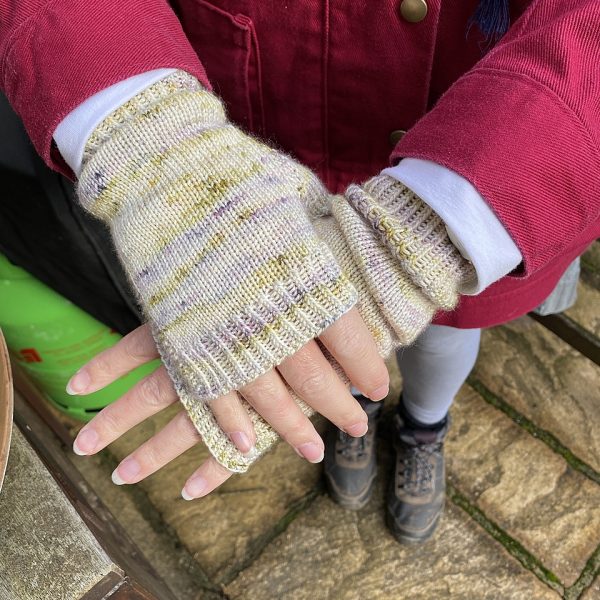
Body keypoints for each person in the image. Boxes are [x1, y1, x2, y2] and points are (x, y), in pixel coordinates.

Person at [1, 0, 598, 545]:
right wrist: (150, 137)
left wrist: (434, 229)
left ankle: (423, 424)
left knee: (446, 335)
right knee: (329, 358)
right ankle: (355, 412)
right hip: (264, 126)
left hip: (488, 130)